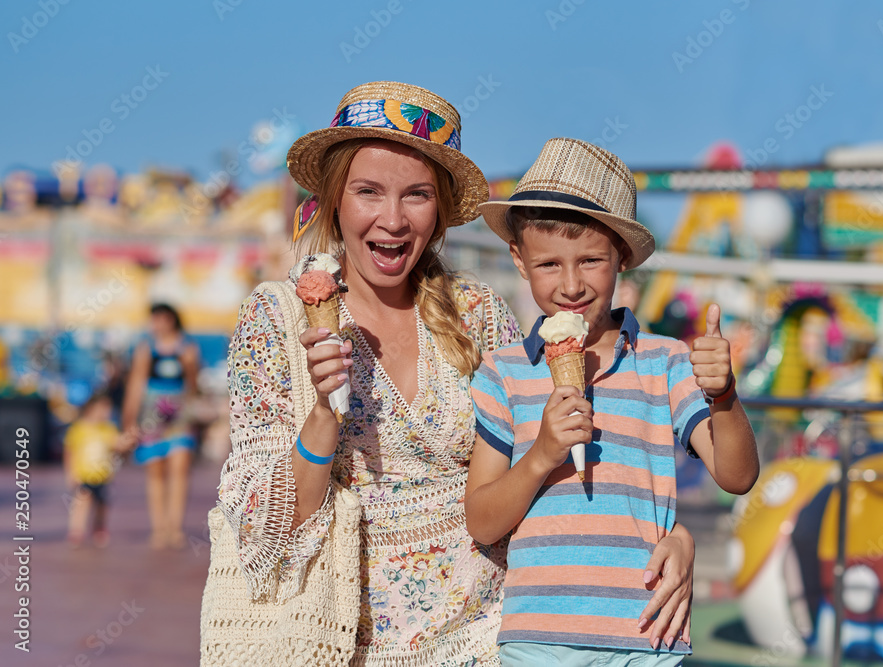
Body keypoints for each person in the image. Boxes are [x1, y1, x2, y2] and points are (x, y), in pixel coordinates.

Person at [200, 82, 697, 666]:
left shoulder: (479, 312)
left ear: (438, 214)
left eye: (416, 195)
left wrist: (674, 534)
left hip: (488, 640)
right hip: (337, 642)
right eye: (368, 192)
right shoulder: (275, 318)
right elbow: (270, 533)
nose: (392, 219)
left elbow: (569, 457)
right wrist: (321, 415)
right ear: (335, 199)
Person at [466, 138, 760, 665]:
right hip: (539, 639)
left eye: (592, 261)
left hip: (647, 635)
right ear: (519, 259)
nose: (572, 284)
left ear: (621, 257)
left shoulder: (665, 362)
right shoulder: (502, 373)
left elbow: (736, 476)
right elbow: (482, 521)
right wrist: (540, 456)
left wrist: (724, 395)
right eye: (549, 264)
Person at [121, 303, 200, 549]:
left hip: (179, 416)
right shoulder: (146, 349)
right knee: (155, 471)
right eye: (154, 320)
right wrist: (129, 420)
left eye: (162, 319)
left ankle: (174, 527)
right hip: (151, 417)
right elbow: (135, 385)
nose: (157, 325)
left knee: (179, 469)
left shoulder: (188, 349)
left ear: (172, 320)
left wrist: (189, 366)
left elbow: (194, 386)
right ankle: (159, 528)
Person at [64, 392, 125, 548]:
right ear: (91, 408)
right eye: (102, 409)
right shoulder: (79, 428)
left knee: (102, 505)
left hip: (103, 476)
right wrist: (71, 473)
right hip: (84, 474)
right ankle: (76, 530)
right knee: (81, 502)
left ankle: (99, 528)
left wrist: (127, 442)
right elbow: (70, 451)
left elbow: (118, 444)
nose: (106, 413)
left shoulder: (109, 429)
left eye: (108, 410)